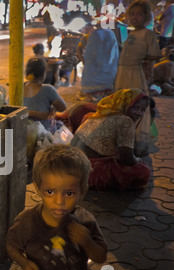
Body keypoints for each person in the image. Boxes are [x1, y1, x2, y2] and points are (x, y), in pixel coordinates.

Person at [6, 144, 108, 270]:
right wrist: (25, 264)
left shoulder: (84, 220)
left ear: (83, 191)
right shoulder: (27, 221)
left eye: (69, 193)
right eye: (50, 192)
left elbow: (101, 256)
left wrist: (86, 242)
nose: (59, 201)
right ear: (38, 188)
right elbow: (12, 246)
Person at [70, 88, 151, 191]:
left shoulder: (100, 114)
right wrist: (138, 159)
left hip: (69, 164)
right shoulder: (125, 121)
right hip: (86, 172)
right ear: (125, 104)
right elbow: (127, 159)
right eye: (135, 108)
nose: (139, 113)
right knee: (144, 171)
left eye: (142, 110)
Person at [114, 0, 161, 156]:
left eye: (139, 14)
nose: (135, 17)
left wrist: (147, 75)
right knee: (123, 106)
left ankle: (137, 143)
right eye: (132, 14)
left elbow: (152, 57)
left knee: (137, 107)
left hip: (135, 74)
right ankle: (123, 141)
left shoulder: (148, 34)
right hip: (122, 73)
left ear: (146, 16)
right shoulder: (131, 33)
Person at [23, 58, 66, 133]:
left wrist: (29, 112)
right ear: (43, 74)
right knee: (61, 125)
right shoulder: (48, 89)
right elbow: (62, 108)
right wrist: (51, 108)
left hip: (21, 129)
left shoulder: (18, 88)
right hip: (42, 131)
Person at [79, 24, 119, 101]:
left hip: (93, 79)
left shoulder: (94, 35)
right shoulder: (110, 34)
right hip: (108, 78)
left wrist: (84, 61)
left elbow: (86, 52)